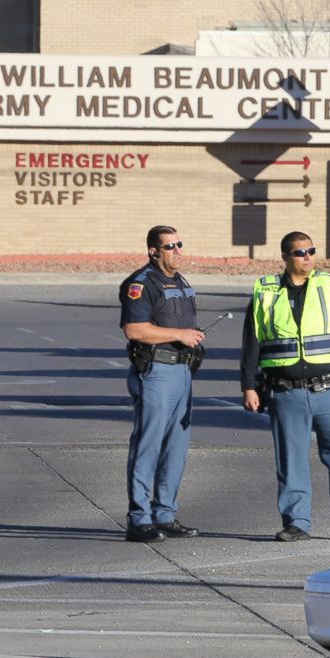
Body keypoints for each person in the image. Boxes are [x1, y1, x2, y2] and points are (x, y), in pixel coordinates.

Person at [240, 232, 330, 542]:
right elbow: (251, 343)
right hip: (286, 391)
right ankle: (297, 522)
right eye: (300, 252)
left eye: (311, 251)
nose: (308, 257)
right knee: (291, 458)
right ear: (285, 257)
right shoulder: (266, 292)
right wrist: (249, 386)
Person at [119, 225, 204, 543]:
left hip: (182, 371)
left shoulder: (180, 281)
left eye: (180, 244)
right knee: (148, 445)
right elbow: (135, 329)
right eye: (171, 246)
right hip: (156, 371)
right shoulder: (141, 284)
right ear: (154, 251)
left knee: (176, 447)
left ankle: (164, 514)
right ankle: (139, 518)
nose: (178, 250)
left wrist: (191, 337)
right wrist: (179, 335)